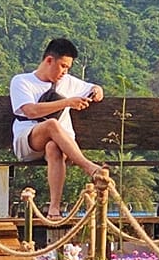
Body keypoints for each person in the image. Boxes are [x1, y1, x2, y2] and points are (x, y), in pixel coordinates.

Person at [10, 38, 108, 220]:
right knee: (52, 125)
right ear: (49, 60)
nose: (65, 72)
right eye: (63, 66)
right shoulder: (22, 81)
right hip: (29, 139)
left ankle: (54, 208)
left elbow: (94, 88)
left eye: (68, 68)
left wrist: (97, 91)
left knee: (53, 148)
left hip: (60, 145)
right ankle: (89, 167)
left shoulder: (69, 82)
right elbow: (30, 111)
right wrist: (68, 102)